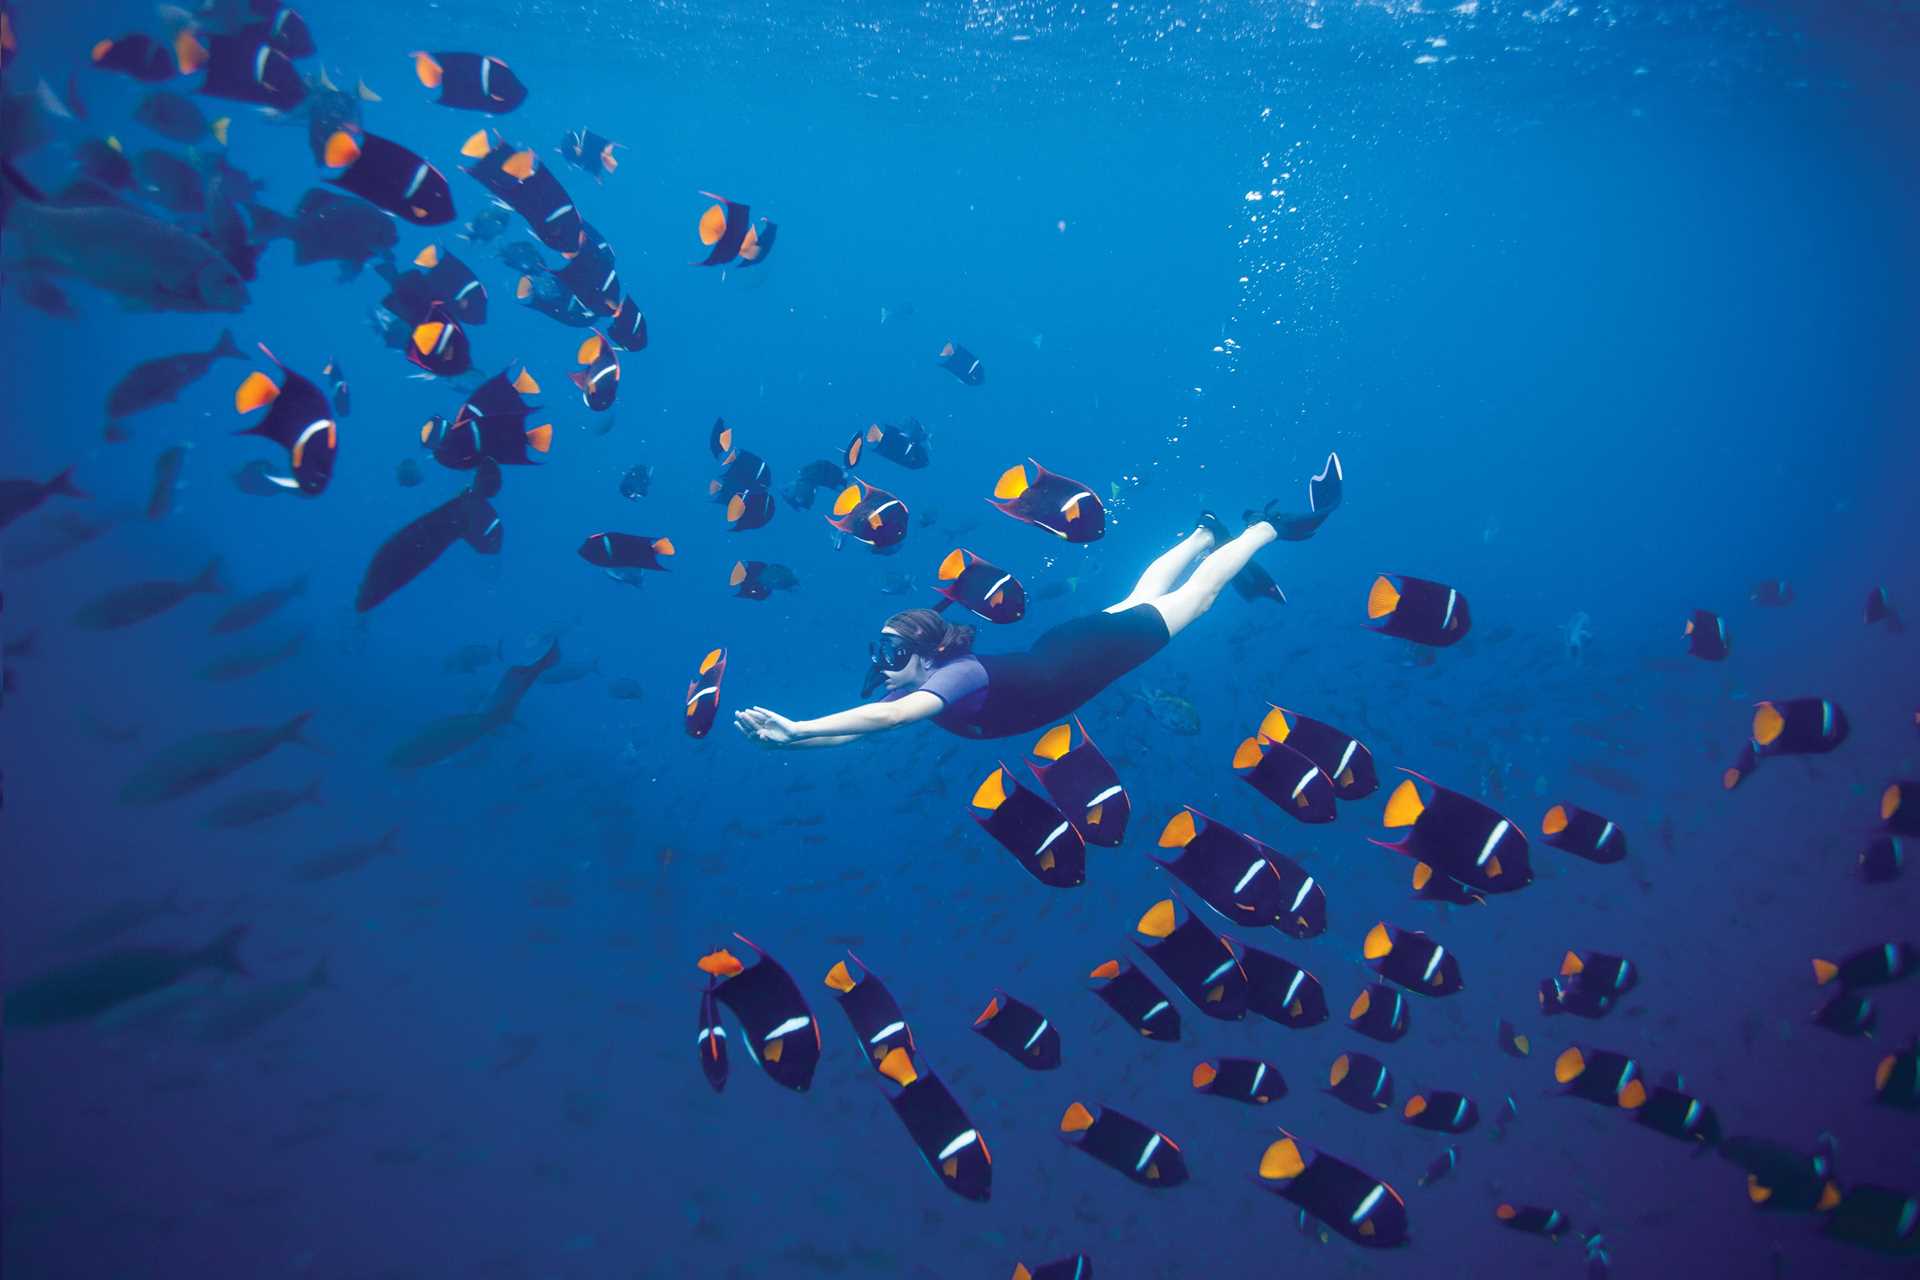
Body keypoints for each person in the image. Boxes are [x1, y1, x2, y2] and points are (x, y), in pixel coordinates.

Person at [733, 453, 1343, 748]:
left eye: (893, 649)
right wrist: (796, 738)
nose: (883, 660)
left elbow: (885, 718)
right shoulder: (916, 685)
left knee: (1200, 597)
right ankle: (1207, 533)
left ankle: (1271, 525)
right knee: (1143, 596)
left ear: (925, 653)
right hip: (1067, 648)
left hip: (1092, 655)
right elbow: (860, 730)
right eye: (880, 648)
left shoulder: (956, 678)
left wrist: (799, 726)